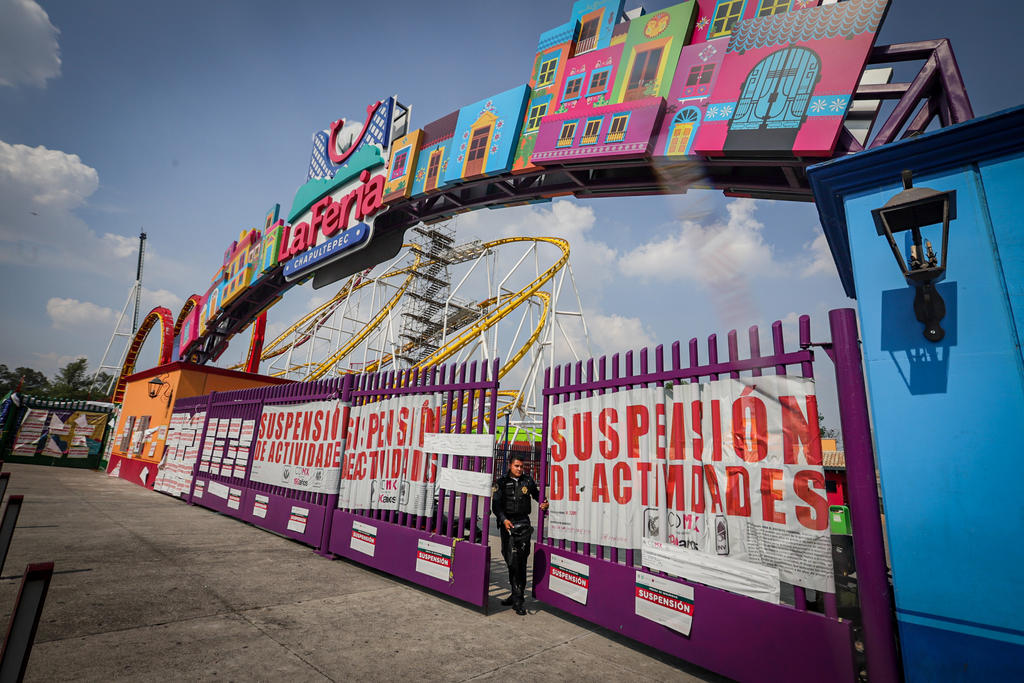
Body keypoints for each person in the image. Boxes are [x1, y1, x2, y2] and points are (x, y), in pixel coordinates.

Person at [492, 455, 548, 615]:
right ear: (510, 465)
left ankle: (518, 600)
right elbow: (496, 505)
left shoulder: (528, 481)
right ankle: (515, 593)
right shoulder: (501, 482)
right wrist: (503, 519)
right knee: (510, 560)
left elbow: (538, 496)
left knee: (521, 561)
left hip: (523, 524)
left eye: (521, 466)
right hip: (508, 525)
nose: (519, 469)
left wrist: (544, 502)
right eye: (516, 466)